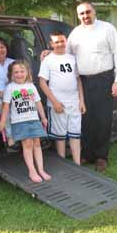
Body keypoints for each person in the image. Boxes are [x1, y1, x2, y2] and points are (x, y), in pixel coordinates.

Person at [40, 2, 117, 172]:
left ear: (94, 12)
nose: (85, 16)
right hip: (83, 81)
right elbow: (66, 53)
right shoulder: (75, 33)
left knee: (103, 119)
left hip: (104, 78)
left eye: (88, 12)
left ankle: (101, 156)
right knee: (85, 118)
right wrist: (49, 53)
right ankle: (87, 153)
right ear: (78, 16)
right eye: (81, 14)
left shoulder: (107, 29)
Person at [0, 60, 51, 183]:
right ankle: (32, 171)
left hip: (34, 119)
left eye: (22, 71)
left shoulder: (31, 86)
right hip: (20, 121)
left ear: (27, 72)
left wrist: (43, 117)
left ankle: (41, 170)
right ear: (11, 74)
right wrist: (2, 122)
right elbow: (5, 106)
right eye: (16, 72)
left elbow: (38, 103)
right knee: (27, 145)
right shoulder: (10, 88)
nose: (19, 74)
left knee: (37, 144)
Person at [38, 30, 86, 165]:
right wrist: (55, 102)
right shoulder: (48, 60)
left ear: (66, 41)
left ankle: (77, 164)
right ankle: (63, 165)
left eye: (62, 41)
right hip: (57, 104)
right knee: (60, 137)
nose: (60, 44)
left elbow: (78, 80)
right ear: (51, 44)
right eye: (56, 42)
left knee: (75, 135)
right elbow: (42, 82)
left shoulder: (72, 58)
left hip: (74, 103)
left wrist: (81, 101)